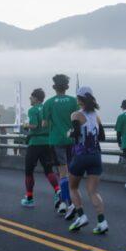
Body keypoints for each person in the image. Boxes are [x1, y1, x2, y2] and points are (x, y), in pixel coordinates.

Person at [67, 87, 108, 234]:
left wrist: (69, 133)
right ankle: (102, 222)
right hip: (96, 155)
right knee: (93, 191)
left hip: (81, 155)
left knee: (72, 187)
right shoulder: (96, 116)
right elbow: (102, 137)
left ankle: (81, 216)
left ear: (79, 99)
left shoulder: (76, 115)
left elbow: (76, 133)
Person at [43, 74, 78, 216]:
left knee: (62, 173)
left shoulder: (49, 102)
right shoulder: (74, 101)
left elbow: (44, 123)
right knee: (71, 172)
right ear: (67, 87)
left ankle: (64, 202)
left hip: (56, 140)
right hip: (71, 140)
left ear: (53, 87)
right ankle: (72, 201)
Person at [21, 88, 60, 207]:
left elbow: (34, 125)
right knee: (48, 170)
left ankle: (29, 198)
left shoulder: (32, 110)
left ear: (36, 98)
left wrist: (25, 125)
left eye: (31, 97)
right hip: (47, 142)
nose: (29, 99)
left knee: (29, 171)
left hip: (35, 143)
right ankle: (58, 190)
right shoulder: (46, 108)